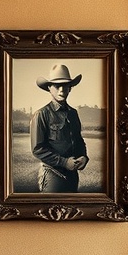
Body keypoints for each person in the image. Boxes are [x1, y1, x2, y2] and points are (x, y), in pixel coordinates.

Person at [30, 64, 89, 192]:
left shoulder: (73, 113)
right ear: (50, 88)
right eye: (57, 86)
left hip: (73, 175)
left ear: (70, 88)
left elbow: (78, 140)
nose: (62, 90)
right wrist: (64, 162)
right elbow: (38, 149)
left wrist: (83, 157)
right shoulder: (41, 114)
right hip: (53, 175)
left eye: (66, 86)